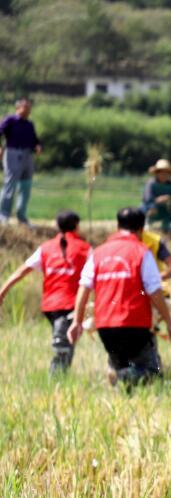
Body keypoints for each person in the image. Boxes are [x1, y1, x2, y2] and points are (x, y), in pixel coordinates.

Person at [68, 207, 171, 386]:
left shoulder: (98, 252)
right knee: (151, 372)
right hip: (135, 323)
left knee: (121, 368)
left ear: (118, 226)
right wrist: (169, 322)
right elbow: (154, 291)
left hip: (105, 325)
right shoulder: (142, 252)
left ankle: (119, 378)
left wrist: (76, 321)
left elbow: (84, 287)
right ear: (142, 230)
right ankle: (123, 376)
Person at [0, 210, 90, 373]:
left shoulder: (46, 248)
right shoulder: (84, 248)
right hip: (69, 304)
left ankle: (61, 376)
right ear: (76, 226)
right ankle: (56, 380)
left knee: (67, 341)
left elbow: (21, 272)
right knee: (63, 346)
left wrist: (3, 291)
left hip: (49, 305)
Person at [0, 98, 42, 227]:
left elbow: (35, 139)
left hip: (28, 155)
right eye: (26, 107)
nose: (28, 110)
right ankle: (3, 215)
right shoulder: (10, 120)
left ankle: (21, 217)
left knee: (26, 187)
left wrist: (38, 146)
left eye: (29, 108)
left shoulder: (29, 124)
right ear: (18, 108)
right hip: (13, 153)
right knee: (10, 184)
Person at [141, 159, 171, 231]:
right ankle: (146, 223)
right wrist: (157, 201)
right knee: (151, 208)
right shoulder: (150, 184)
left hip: (164, 209)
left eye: (166, 173)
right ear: (157, 173)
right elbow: (147, 198)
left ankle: (166, 226)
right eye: (162, 173)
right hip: (149, 208)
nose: (164, 175)